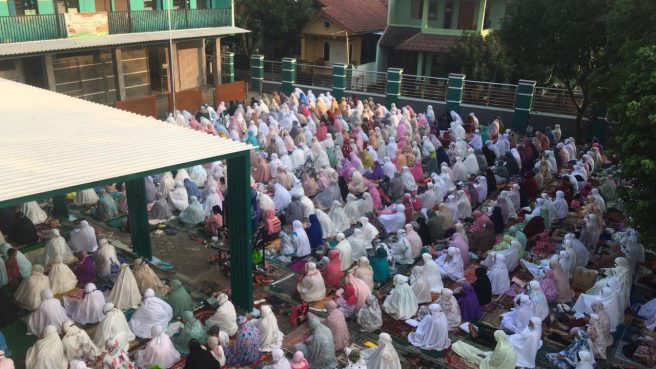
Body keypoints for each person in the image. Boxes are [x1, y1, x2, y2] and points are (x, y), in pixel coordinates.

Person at [452, 330, 517, 369]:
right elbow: (495, 356)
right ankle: (459, 345)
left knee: (475, 357)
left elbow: (493, 364)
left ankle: (456, 346)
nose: (494, 338)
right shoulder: (509, 345)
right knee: (482, 353)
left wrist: (484, 358)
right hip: (509, 366)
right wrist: (485, 354)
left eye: (495, 337)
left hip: (498, 367)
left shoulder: (501, 349)